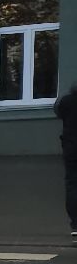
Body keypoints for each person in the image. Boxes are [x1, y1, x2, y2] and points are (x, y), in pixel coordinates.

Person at [60, 84, 77, 240]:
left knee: (72, 184)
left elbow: (57, 111)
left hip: (71, 147)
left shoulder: (67, 101)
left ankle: (75, 224)